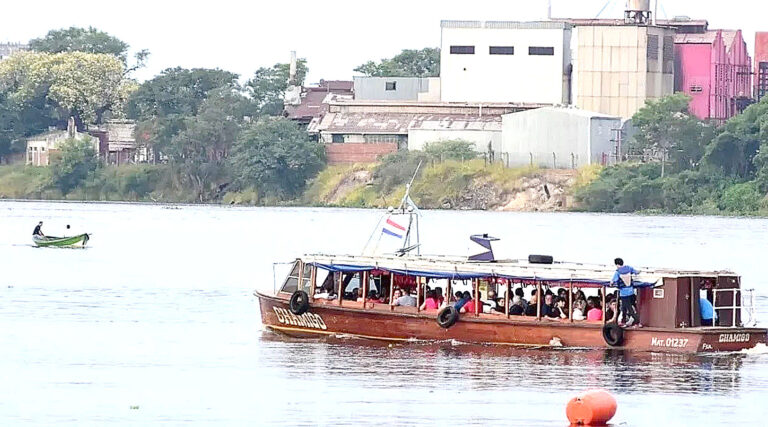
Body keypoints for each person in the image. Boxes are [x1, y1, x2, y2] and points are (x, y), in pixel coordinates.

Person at [611, 258, 640, 326]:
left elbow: (613, 281)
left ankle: (637, 322)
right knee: (624, 308)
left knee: (629, 309)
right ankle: (623, 321)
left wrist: (611, 283)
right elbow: (636, 272)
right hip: (631, 292)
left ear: (617, 264)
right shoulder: (629, 268)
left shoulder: (617, 272)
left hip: (624, 293)